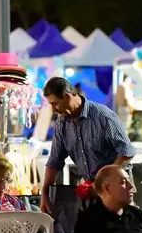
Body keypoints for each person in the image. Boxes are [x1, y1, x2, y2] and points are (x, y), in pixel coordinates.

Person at [40, 77, 135, 213]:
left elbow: (126, 151)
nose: (53, 109)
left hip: (117, 188)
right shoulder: (62, 124)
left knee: (121, 231)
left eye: (55, 103)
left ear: (67, 97)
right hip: (90, 189)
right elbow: (55, 160)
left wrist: (101, 182)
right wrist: (45, 192)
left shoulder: (102, 116)